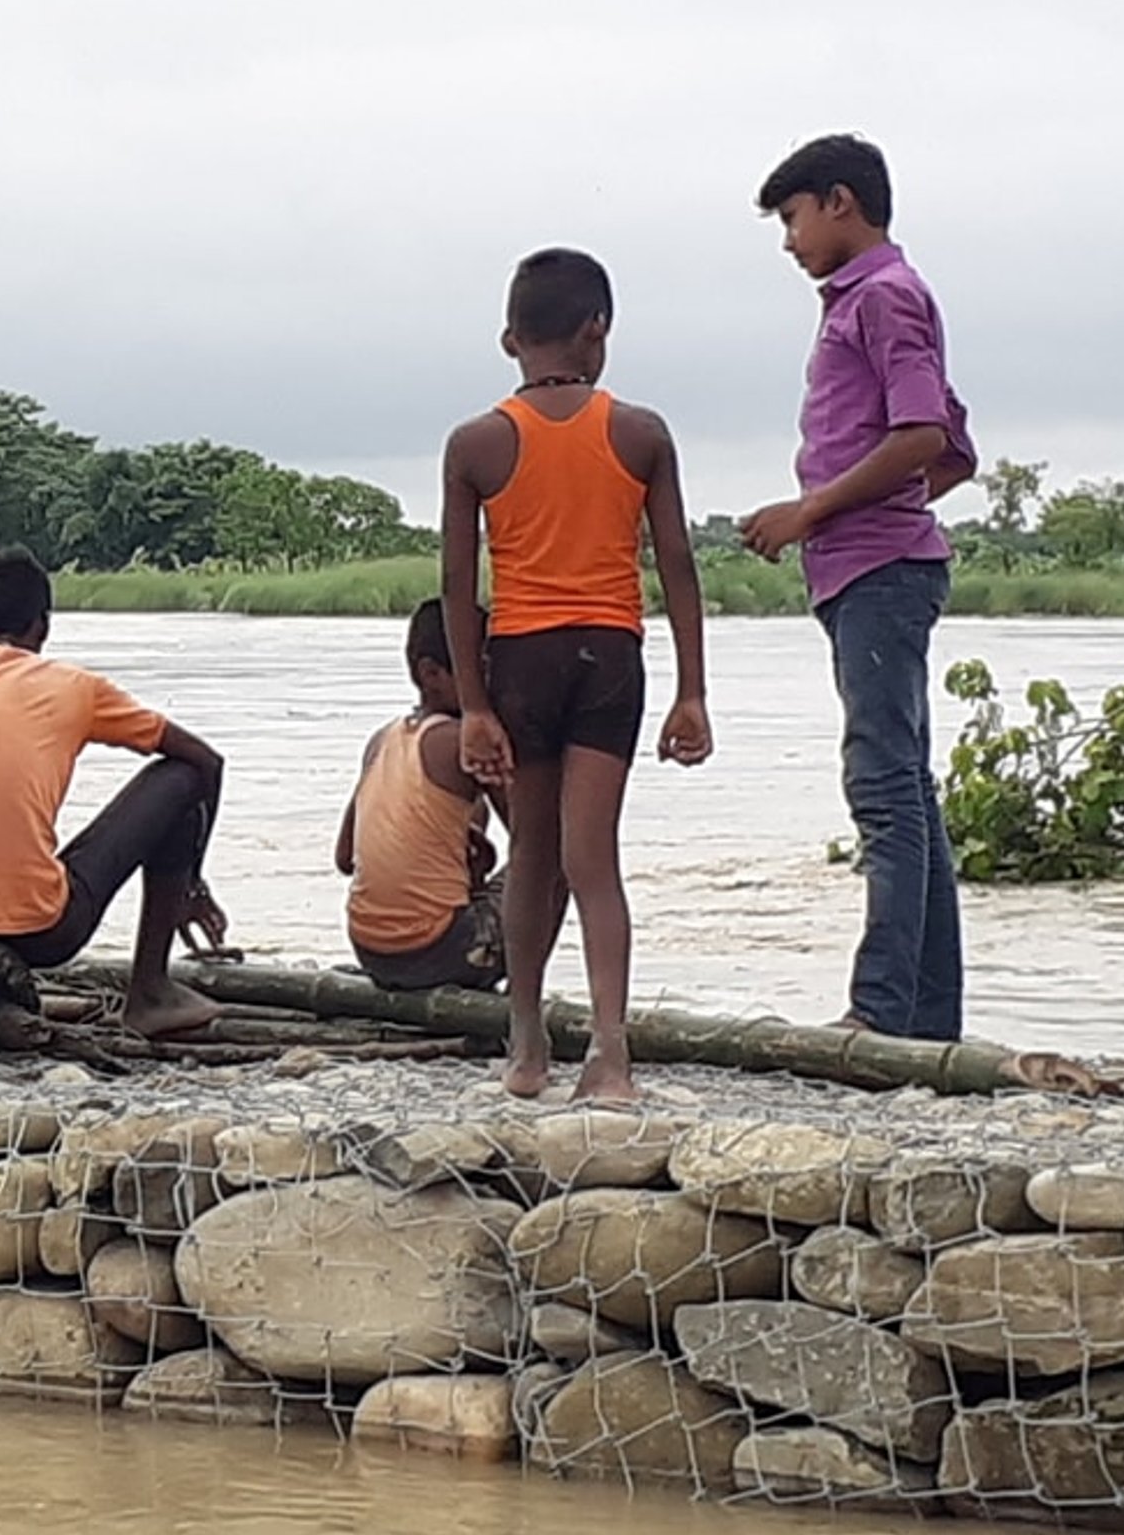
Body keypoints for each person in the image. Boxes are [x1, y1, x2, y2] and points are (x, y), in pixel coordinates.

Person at [439, 247, 715, 1103]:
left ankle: (525, 1045)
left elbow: (458, 586)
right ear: (596, 331)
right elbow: (677, 567)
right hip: (608, 655)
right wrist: (692, 691)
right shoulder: (638, 432)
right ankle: (611, 1056)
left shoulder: (477, 442)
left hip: (521, 658)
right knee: (594, 860)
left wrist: (474, 707)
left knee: (533, 858)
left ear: (508, 339)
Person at [737, 135, 975, 1044]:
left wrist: (817, 512)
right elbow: (951, 447)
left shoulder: (883, 297)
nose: (791, 242)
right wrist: (860, 511)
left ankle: (881, 1011)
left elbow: (921, 437)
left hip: (879, 571)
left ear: (841, 202)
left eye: (794, 219)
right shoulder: (874, 301)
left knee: (882, 786)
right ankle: (925, 1018)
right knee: (906, 787)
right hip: (873, 563)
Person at [0, 548, 228, 1064]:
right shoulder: (74, 686)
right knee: (181, 779)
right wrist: (191, 881)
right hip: (42, 932)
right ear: (43, 628)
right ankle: (150, 991)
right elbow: (205, 762)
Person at [336, 598, 498, 992]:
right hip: (439, 951)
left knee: (466, 811)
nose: (491, 685)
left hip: (371, 951)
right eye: (481, 671)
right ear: (431, 673)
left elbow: (344, 859)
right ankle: (523, 1004)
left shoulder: (381, 740)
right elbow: (533, 838)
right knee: (557, 862)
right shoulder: (463, 744)